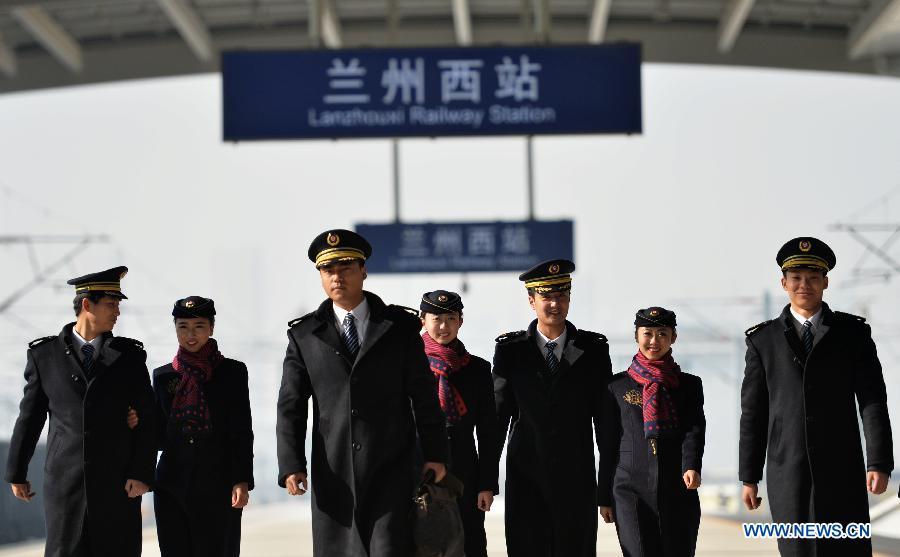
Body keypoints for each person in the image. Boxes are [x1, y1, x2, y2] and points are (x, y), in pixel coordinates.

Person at [276, 229, 449, 556]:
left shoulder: (399, 328)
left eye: (346, 268)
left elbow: (424, 396)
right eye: (328, 270)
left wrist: (436, 453)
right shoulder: (305, 335)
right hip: (334, 475)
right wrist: (291, 464)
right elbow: (291, 405)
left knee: (389, 549)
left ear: (363, 271)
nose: (337, 277)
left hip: (392, 468)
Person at [739, 236, 893, 557]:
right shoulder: (763, 341)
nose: (804, 285)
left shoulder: (852, 335)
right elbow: (754, 414)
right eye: (796, 278)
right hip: (787, 471)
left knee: (847, 550)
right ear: (784, 283)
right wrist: (749, 477)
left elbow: (872, 402)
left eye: (812, 278)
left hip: (842, 467)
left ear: (825, 282)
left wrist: (878, 462)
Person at [4, 266, 156, 557]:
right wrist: (17, 472)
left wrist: (141, 473)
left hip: (118, 484)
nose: (118, 312)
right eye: (111, 304)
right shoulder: (43, 356)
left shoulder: (129, 357)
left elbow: (148, 418)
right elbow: (30, 418)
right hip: (64, 485)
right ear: (87, 304)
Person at [493, 259, 612, 557]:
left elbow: (606, 424)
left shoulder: (593, 350)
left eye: (561, 296)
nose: (555, 304)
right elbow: (497, 419)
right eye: (547, 297)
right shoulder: (511, 351)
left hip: (577, 479)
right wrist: (486, 482)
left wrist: (607, 488)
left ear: (569, 299)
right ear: (531, 301)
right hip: (525, 478)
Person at [598, 307, 705, 557]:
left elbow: (694, 427)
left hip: (678, 488)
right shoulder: (616, 387)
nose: (654, 341)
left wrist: (692, 465)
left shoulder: (689, 385)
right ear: (636, 335)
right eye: (648, 333)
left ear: (673, 337)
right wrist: (603, 497)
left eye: (662, 334)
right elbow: (608, 444)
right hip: (629, 491)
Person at [151, 296, 254, 556]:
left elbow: (241, 430)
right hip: (171, 487)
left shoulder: (232, 372)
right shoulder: (163, 376)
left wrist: (241, 479)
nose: (191, 334)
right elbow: (159, 437)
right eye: (183, 327)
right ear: (175, 329)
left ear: (211, 328)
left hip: (219, 485)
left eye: (199, 326)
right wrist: (137, 422)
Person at [420, 290, 499, 557]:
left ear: (460, 322)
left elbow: (488, 431)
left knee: (470, 543)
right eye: (437, 319)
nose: (444, 326)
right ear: (423, 321)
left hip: (466, 475)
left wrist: (486, 484)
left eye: (451, 318)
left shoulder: (477, 369)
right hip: (420, 472)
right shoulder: (410, 365)